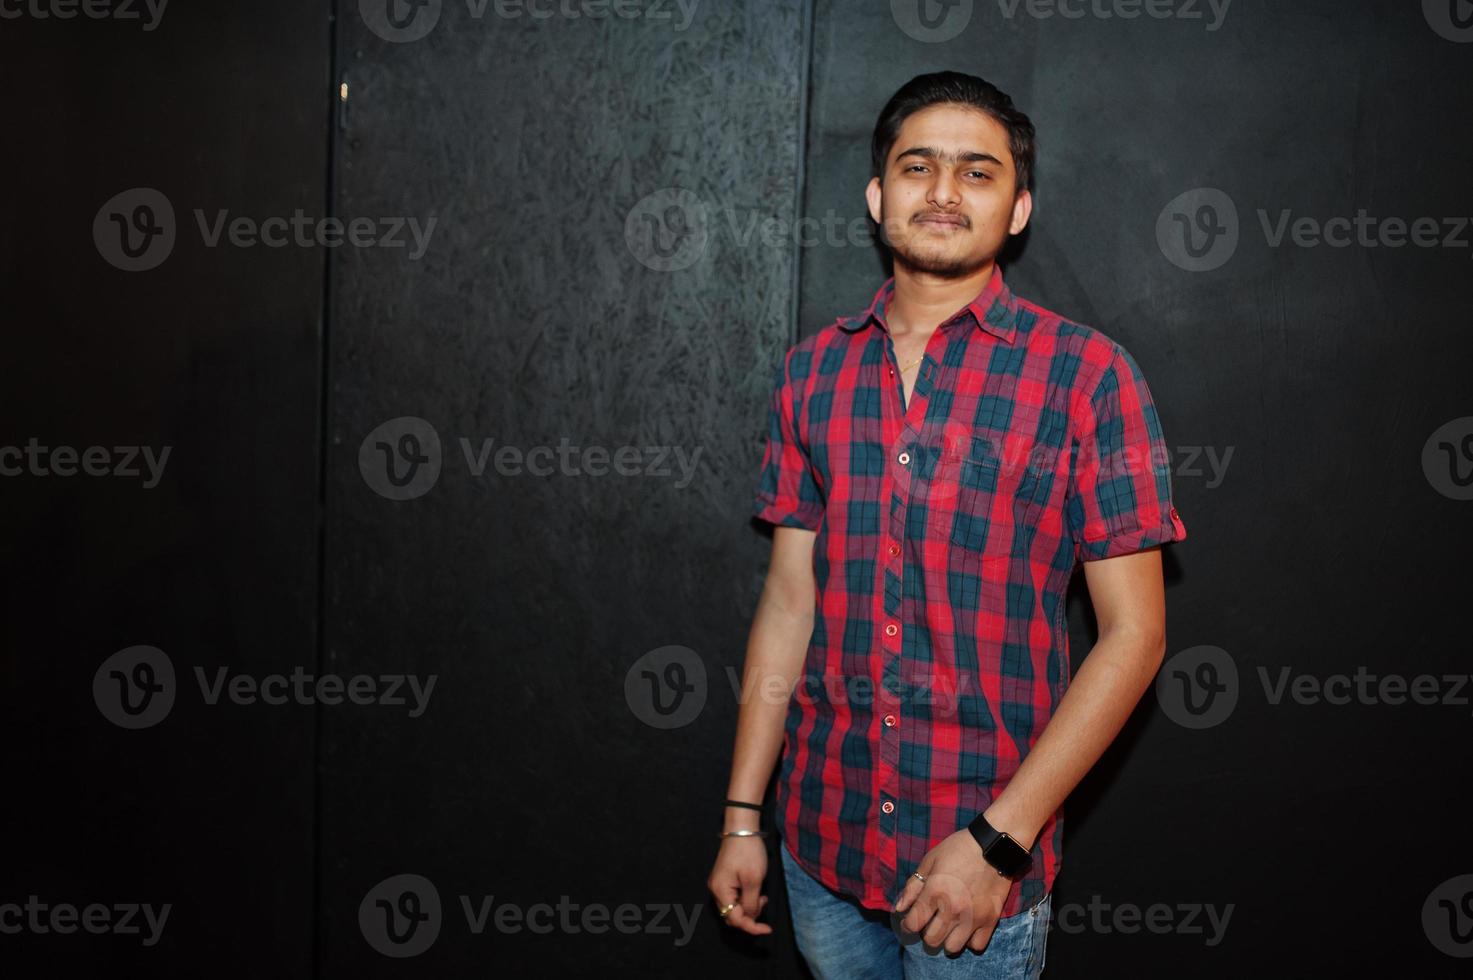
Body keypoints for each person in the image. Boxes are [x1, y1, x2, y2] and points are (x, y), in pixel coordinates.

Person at [706, 70, 1188, 978]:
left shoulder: (1087, 376)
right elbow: (786, 606)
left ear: (1017, 209)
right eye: (918, 166)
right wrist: (743, 817)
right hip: (821, 848)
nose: (942, 190)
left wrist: (998, 843)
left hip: (975, 870)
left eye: (977, 172)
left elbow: (1134, 635)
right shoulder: (812, 373)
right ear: (878, 195)